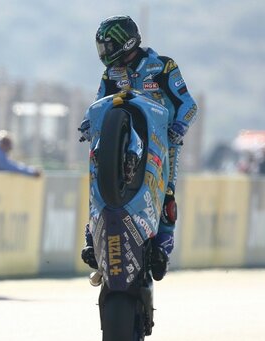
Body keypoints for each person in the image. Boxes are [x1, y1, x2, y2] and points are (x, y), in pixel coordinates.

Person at [79, 15, 198, 281]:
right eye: (102, 47)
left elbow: (189, 104)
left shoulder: (163, 66)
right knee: (96, 180)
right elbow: (98, 103)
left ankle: (162, 249)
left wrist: (179, 127)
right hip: (116, 140)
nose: (104, 53)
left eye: (108, 46)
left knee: (167, 193)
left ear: (125, 42)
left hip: (161, 141)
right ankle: (92, 236)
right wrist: (86, 124)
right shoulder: (110, 73)